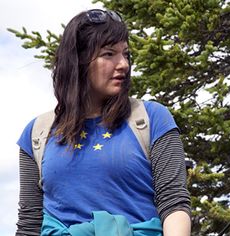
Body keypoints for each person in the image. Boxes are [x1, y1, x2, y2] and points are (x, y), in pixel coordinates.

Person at [16, 9, 191, 236]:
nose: (123, 64)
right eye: (109, 54)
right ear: (77, 61)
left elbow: (174, 203)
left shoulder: (151, 118)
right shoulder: (36, 134)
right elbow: (29, 225)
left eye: (125, 54)